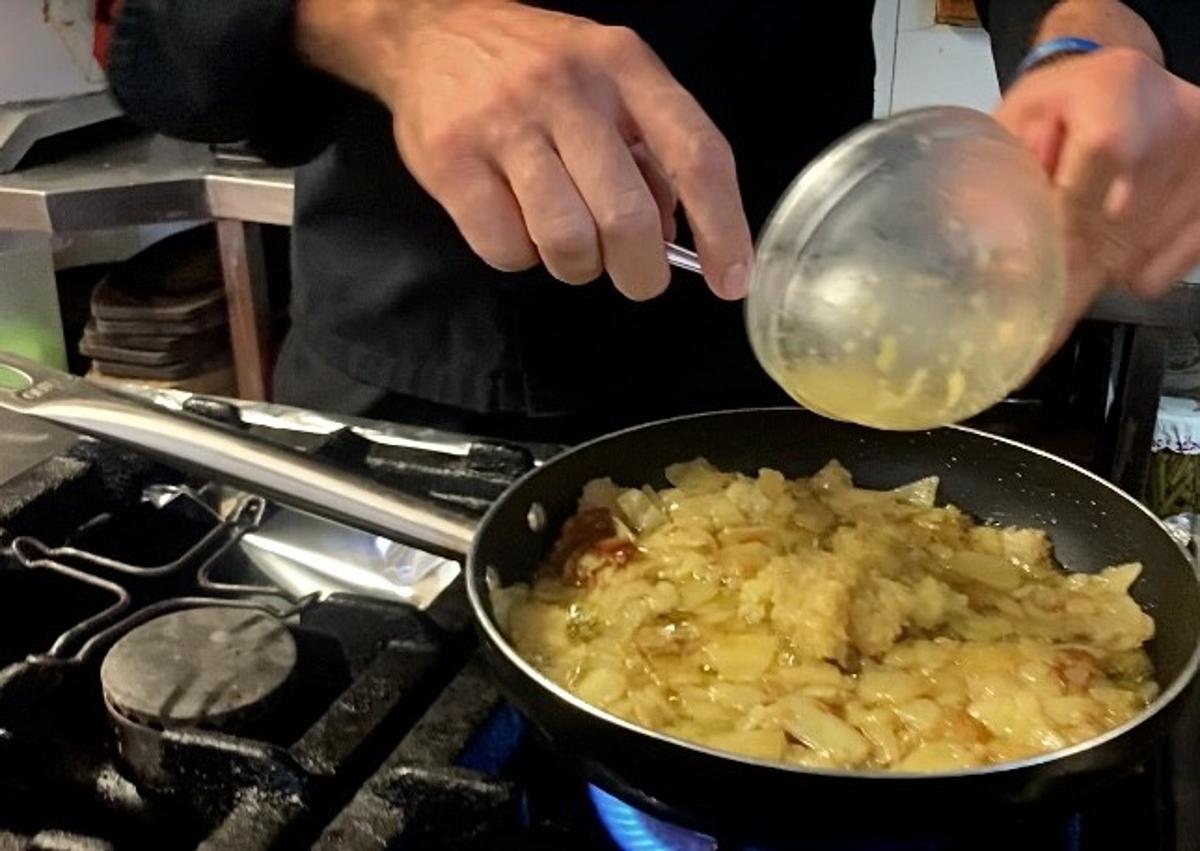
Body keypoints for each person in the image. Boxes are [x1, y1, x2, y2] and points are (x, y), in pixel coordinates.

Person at [107, 0, 1200, 441]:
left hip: (811, 342)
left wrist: (1100, 38)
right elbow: (157, 33)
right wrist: (386, 25)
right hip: (412, 378)